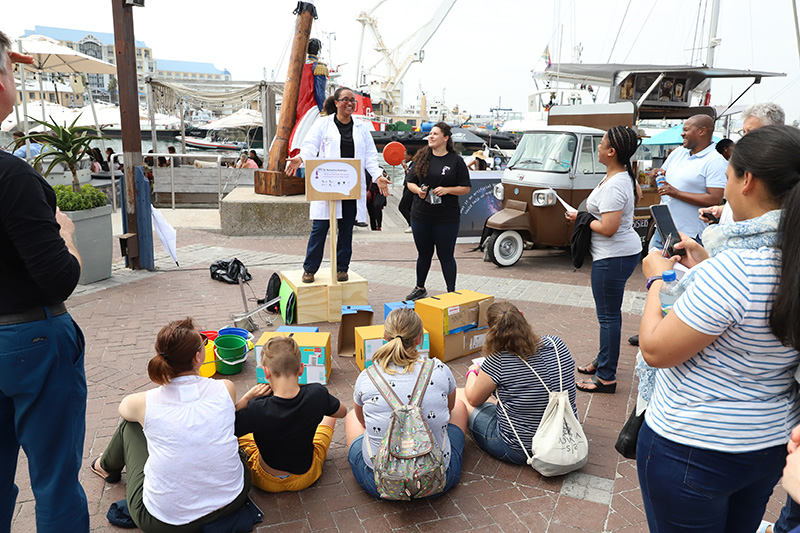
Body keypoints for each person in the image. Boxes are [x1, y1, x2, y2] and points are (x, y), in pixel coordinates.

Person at [636, 125, 800, 532]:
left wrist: (659, 279)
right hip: (768, 442)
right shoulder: (783, 260)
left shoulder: (736, 271)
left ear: (747, 181)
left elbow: (656, 349)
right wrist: (706, 266)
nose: (724, 191)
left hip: (695, 445)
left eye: (727, 177)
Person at [0, 35, 89, 533]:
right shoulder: (12, 176)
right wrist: (68, 236)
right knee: (54, 478)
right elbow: (58, 276)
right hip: (30, 338)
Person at [89, 318, 251, 531]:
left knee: (130, 426)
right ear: (198, 357)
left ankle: (106, 466)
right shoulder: (226, 388)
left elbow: (123, 410)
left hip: (164, 522)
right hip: (233, 500)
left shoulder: (144, 402)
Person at [345, 308, 468, 499]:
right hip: (438, 479)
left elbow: (362, 421)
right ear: (420, 338)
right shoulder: (439, 369)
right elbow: (451, 408)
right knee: (459, 406)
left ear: (385, 336)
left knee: (353, 416)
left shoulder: (367, 376)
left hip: (380, 483)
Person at [564, 126, 642, 393]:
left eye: (602, 144)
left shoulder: (617, 183)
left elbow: (608, 227)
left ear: (611, 152)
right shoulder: (621, 177)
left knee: (608, 317)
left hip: (613, 256)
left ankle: (606, 377)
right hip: (619, 253)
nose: (597, 147)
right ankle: (604, 359)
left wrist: (581, 218)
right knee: (609, 316)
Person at [286, 86, 390, 284]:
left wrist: (378, 176)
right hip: (327, 183)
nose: (350, 103)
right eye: (345, 99)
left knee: (345, 229)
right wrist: (300, 159)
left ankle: (342, 268)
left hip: (349, 185)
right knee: (320, 227)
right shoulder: (322, 124)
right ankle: (309, 269)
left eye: (353, 100)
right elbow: (310, 147)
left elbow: (369, 157)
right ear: (336, 102)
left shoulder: (361, 128)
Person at [457, 302, 576, 464]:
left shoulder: (498, 360)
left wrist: (472, 371)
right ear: (522, 315)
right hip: (564, 433)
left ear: (492, 331)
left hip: (520, 448)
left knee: (460, 396)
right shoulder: (557, 344)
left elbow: (473, 399)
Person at [234, 336, 347, 492]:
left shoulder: (256, 407)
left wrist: (245, 399)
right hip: (307, 476)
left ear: (266, 371)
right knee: (329, 414)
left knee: (245, 433)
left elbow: (227, 428)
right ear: (301, 368)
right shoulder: (317, 393)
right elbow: (342, 412)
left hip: (266, 481)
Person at [405, 122, 471, 300]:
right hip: (421, 216)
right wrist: (418, 191)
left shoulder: (456, 161)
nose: (431, 137)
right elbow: (409, 182)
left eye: (435, 134)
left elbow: (465, 188)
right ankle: (420, 288)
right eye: (430, 134)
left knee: (446, 256)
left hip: (446, 217)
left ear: (446, 138)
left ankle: (451, 291)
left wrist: (447, 190)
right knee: (424, 254)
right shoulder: (422, 158)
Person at [647, 114, 727, 249]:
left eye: (686, 130)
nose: (682, 134)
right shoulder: (679, 152)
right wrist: (655, 176)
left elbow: (715, 199)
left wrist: (676, 193)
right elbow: (661, 183)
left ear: (702, 131)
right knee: (655, 268)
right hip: (662, 229)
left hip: (689, 234)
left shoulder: (716, 160)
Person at [398, 147, 418, 233]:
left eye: (405, 156)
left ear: (410, 155)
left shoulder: (417, 164)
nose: (404, 158)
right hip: (407, 186)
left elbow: (412, 176)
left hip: (412, 188)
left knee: (402, 207)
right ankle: (412, 225)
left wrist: (406, 168)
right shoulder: (412, 163)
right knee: (409, 207)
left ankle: (412, 225)